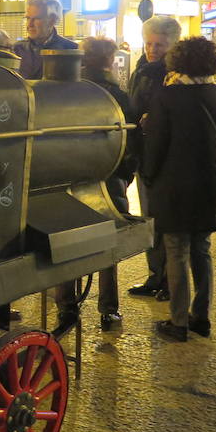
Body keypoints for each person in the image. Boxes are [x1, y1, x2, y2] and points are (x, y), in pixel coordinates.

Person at [141, 37, 216, 342]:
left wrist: (148, 176)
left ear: (177, 61)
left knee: (177, 250)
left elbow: (155, 147)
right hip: (210, 184)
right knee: (202, 250)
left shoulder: (167, 97)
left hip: (175, 184)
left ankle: (178, 322)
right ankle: (201, 317)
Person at [54, 38, 135, 332]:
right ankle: (108, 311)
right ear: (108, 61)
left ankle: (66, 308)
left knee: (67, 242)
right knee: (107, 247)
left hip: (69, 177)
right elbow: (129, 142)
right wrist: (126, 175)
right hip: (110, 179)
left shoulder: (67, 92)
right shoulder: (118, 95)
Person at [127, 15, 181, 302]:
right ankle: (155, 276)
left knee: (165, 222)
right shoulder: (141, 69)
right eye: (148, 43)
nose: (152, 49)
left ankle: (169, 282)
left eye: (159, 44)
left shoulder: (176, 75)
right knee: (151, 220)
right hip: (143, 153)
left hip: (165, 158)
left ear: (172, 45)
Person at [13, 0, 78, 79]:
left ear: (52, 20)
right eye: (28, 18)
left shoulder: (71, 50)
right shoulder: (17, 49)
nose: (29, 24)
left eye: (36, 19)